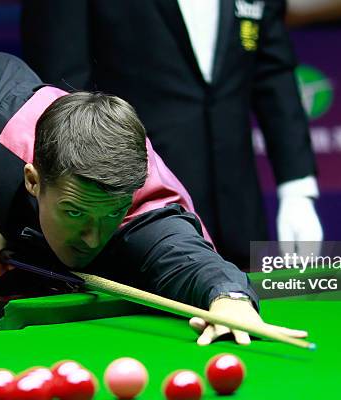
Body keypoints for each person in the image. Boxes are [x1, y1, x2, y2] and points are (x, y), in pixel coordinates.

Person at [0, 51, 307, 345]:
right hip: (21, 278)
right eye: (75, 212)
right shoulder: (10, 120)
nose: (92, 237)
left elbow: (193, 261)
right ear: (33, 180)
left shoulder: (149, 223)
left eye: (111, 213)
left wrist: (230, 299)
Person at [21, 0, 323, 268]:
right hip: (132, 221)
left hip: (240, 216)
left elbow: (274, 73)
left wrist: (297, 187)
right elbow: (60, 90)